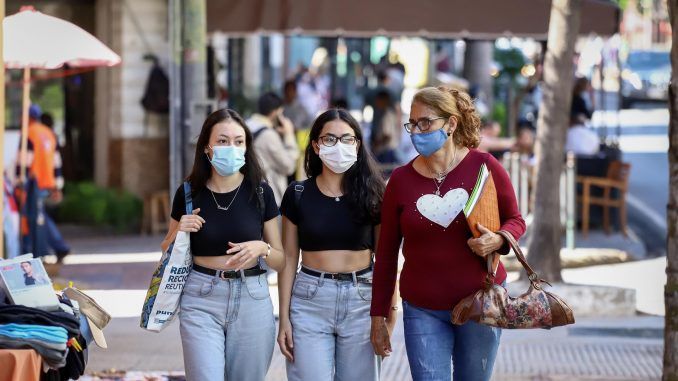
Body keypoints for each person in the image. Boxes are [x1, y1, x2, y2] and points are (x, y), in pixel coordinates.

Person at [370, 87, 526, 381]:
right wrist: (379, 315)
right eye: (412, 124)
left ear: (451, 124)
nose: (417, 131)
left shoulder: (485, 166)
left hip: (482, 302)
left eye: (425, 123)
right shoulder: (400, 181)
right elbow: (386, 255)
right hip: (422, 308)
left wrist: (499, 239)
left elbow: (515, 220)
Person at [161, 108, 285, 381]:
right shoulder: (188, 192)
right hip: (201, 297)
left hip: (252, 297)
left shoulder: (261, 191)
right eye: (223, 141)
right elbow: (166, 250)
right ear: (207, 147)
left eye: (239, 141)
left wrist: (262, 248)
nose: (232, 148)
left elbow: (281, 259)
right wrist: (180, 230)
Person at [277, 109, 396, 381]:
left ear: (357, 144)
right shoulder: (297, 194)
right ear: (316, 145)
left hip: (362, 300)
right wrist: (283, 317)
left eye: (347, 139)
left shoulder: (375, 193)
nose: (338, 146)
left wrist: (390, 311)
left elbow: (387, 259)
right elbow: (288, 259)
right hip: (309, 301)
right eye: (329, 139)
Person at [15, 105, 70, 262]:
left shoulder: (29, 133)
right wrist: (57, 186)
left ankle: (57, 247)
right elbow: (56, 162)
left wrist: (20, 184)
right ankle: (55, 248)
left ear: (29, 118)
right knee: (39, 216)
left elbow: (24, 162)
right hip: (48, 183)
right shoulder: (49, 133)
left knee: (37, 217)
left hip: (33, 183)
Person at [247, 92, 299, 204]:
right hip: (268, 198)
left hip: (249, 193)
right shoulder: (268, 135)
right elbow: (288, 166)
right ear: (275, 112)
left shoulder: (247, 125)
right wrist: (289, 135)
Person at [370, 89, 401, 167]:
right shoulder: (384, 113)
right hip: (386, 151)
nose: (377, 102)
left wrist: (375, 146)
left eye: (379, 100)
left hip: (385, 151)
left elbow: (387, 135)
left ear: (385, 100)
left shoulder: (387, 115)